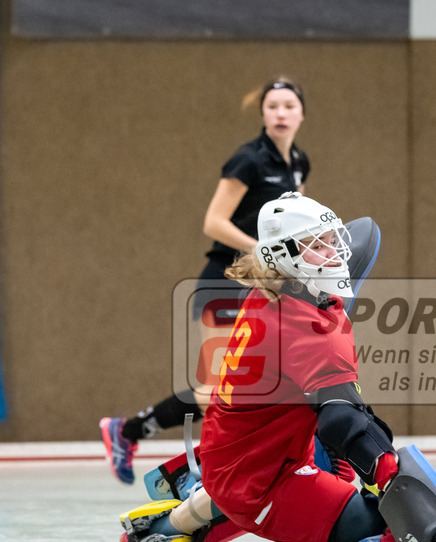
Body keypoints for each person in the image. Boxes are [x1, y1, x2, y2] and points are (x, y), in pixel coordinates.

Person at [118, 193, 436, 542]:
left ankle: (184, 516)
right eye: (319, 245)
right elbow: (343, 419)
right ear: (287, 255)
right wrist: (389, 478)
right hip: (260, 483)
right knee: (392, 529)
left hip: (232, 450)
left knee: (341, 464)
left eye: (332, 238)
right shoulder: (313, 333)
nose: (335, 251)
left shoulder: (268, 289)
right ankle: (329, 541)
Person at [101, 76, 311, 485]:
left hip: (261, 286)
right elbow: (213, 221)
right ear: (262, 113)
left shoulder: (298, 162)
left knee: (263, 382)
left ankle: (130, 430)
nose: (281, 113)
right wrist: (262, 252)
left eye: (289, 106)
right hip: (224, 283)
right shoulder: (247, 161)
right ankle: (177, 459)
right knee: (218, 390)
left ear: (302, 112)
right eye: (273, 106)